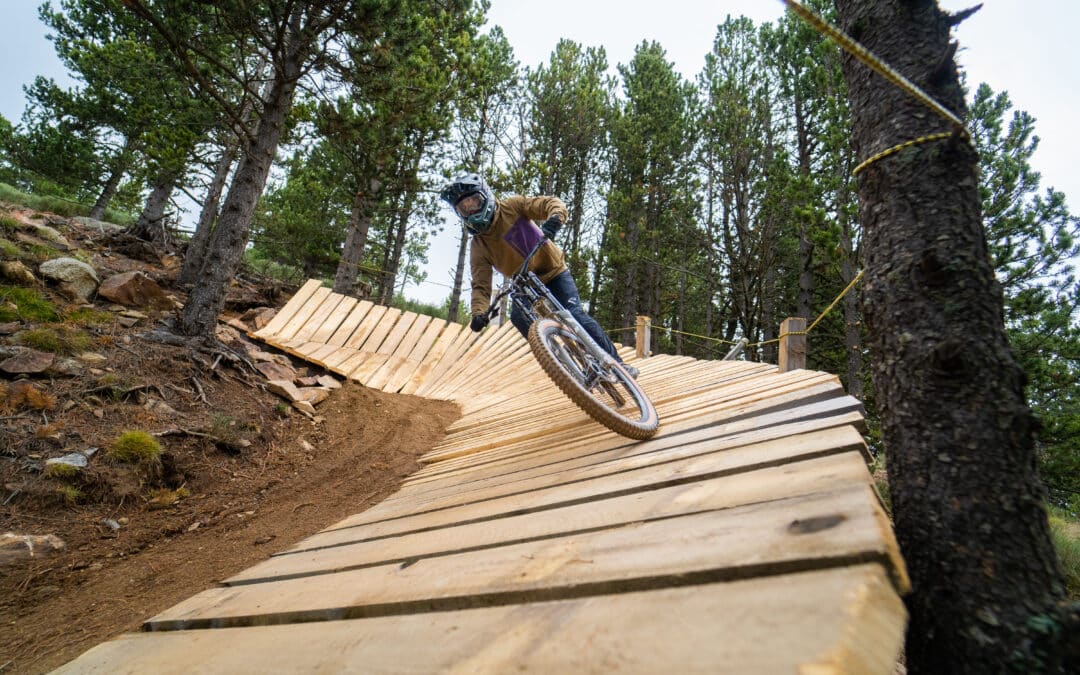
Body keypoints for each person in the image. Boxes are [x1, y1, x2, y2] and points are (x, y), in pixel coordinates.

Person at [439, 172, 637, 378]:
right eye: (464, 208)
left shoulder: (512, 207)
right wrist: (479, 313)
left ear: (486, 196)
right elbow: (481, 285)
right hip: (524, 283)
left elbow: (549, 203)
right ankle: (560, 363)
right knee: (518, 317)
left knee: (575, 315)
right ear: (460, 213)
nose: (471, 209)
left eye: (474, 202)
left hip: (552, 270)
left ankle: (619, 365)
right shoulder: (478, 245)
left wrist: (555, 218)